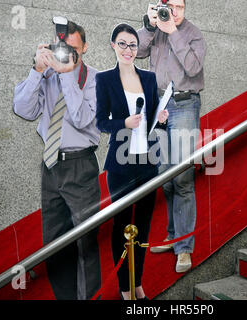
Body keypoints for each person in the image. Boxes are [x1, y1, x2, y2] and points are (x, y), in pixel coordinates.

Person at [13, 21, 102, 300]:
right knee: (54, 244)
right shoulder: (46, 76)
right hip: (51, 166)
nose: (68, 55)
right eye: (62, 48)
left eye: (73, 49)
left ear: (85, 47)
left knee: (85, 242)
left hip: (81, 165)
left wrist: (65, 76)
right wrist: (37, 71)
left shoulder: (98, 79)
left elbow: (83, 119)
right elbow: (23, 110)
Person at [95, 23, 169, 300]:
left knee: (145, 226)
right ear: (113, 45)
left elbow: (152, 122)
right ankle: (125, 289)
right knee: (121, 227)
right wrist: (122, 123)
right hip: (120, 164)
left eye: (133, 45)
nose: (128, 49)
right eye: (123, 44)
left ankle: (138, 282)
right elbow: (101, 121)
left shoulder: (148, 79)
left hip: (147, 163)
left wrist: (161, 121)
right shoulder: (104, 79)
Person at [136, 0, 207, 274]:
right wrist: (149, 24)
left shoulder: (193, 33)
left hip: (185, 104)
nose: (173, 11)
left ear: (185, 8)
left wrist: (173, 32)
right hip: (160, 107)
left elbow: (192, 67)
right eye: (169, 6)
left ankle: (184, 247)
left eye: (179, 6)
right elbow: (138, 51)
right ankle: (173, 235)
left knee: (183, 177)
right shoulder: (157, 29)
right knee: (164, 176)